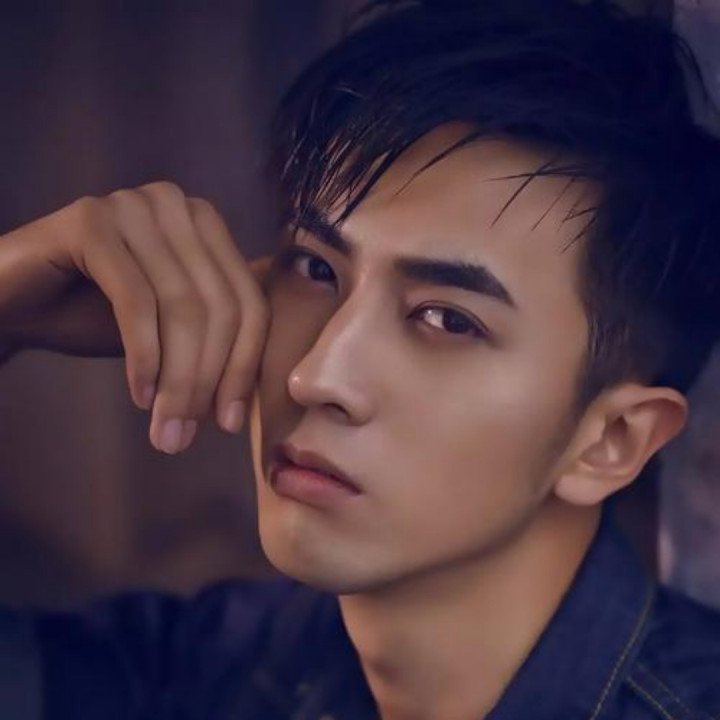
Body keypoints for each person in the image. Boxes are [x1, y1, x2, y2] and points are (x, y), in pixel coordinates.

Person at [1, 0, 720, 718]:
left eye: (447, 318)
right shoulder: (216, 667)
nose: (315, 377)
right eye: (317, 269)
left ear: (610, 440)